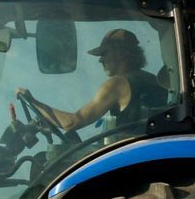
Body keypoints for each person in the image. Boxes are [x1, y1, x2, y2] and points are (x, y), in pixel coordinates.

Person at [19, 28, 169, 135]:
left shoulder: (118, 84)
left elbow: (71, 123)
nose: (100, 60)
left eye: (104, 53)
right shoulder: (153, 80)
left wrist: (33, 102)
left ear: (122, 53)